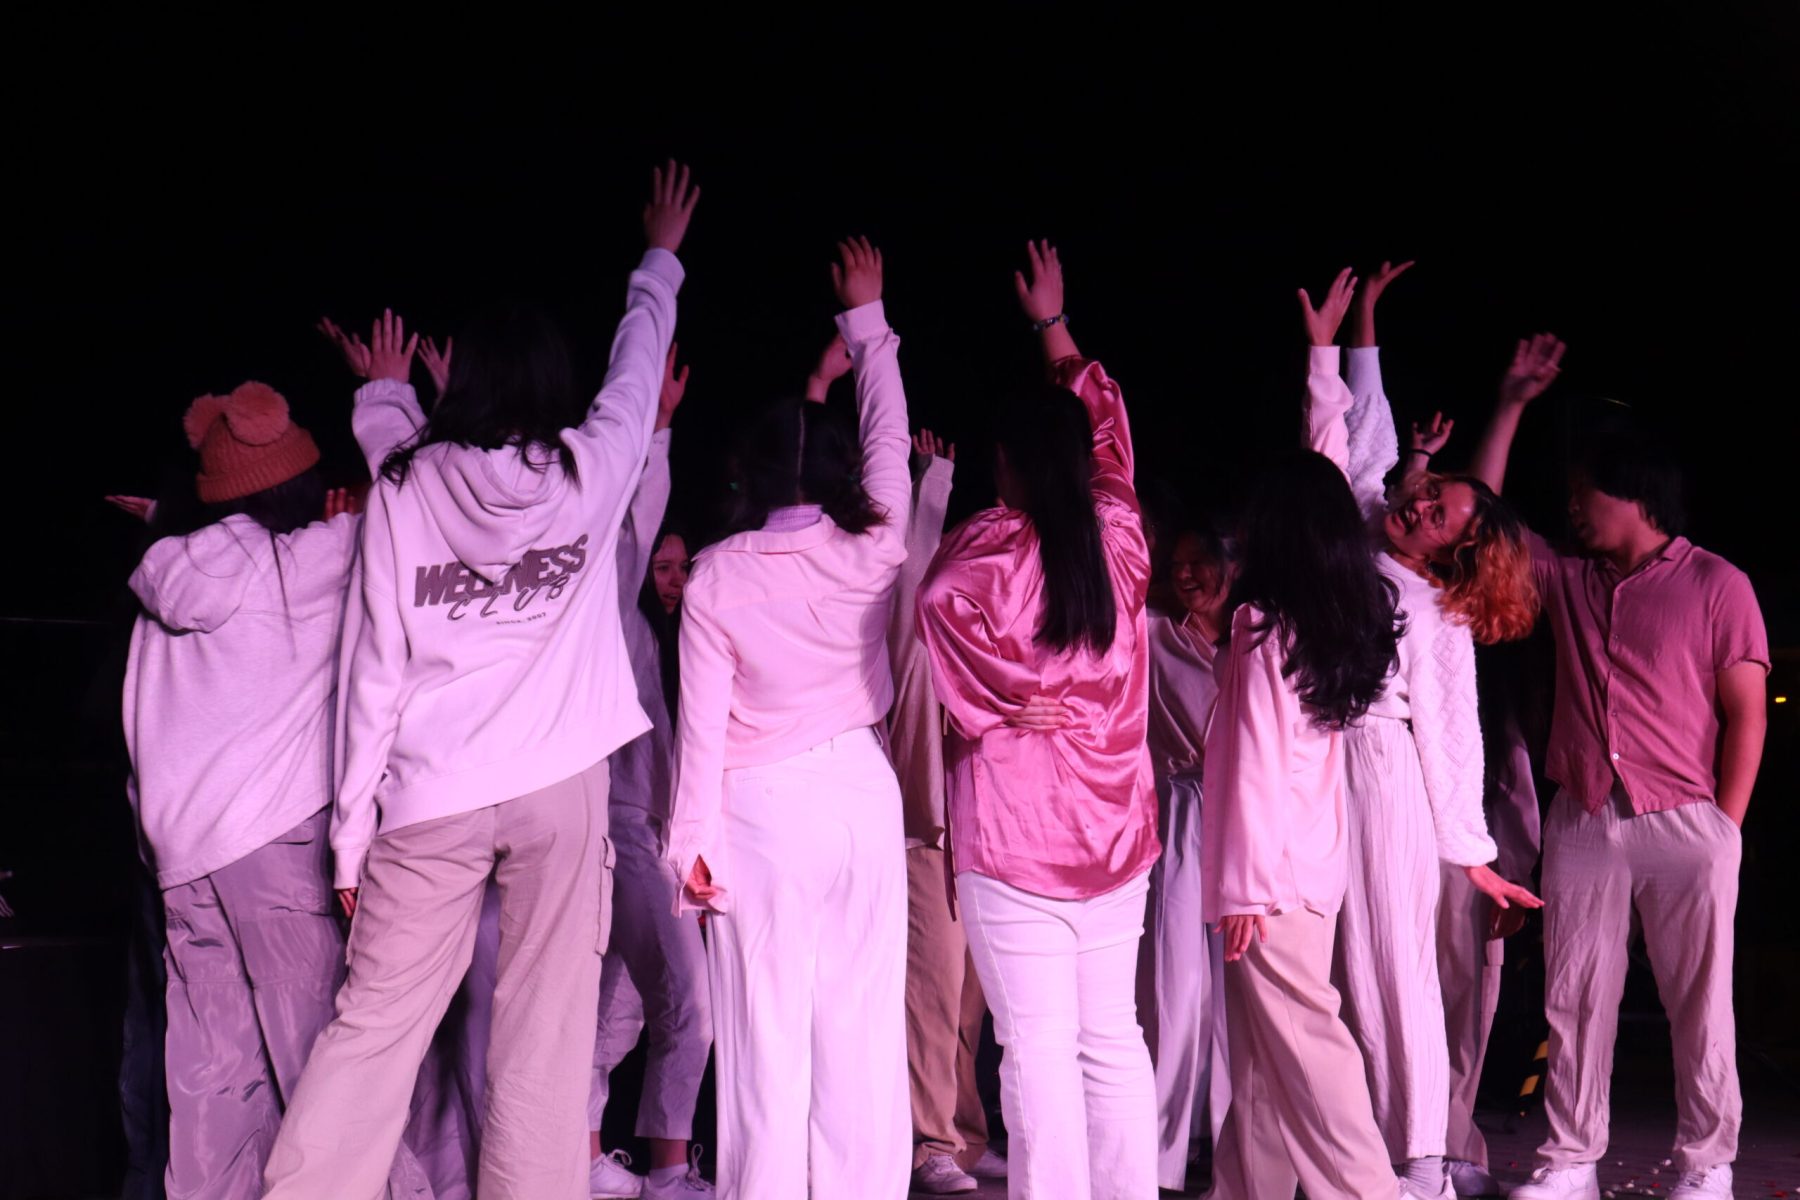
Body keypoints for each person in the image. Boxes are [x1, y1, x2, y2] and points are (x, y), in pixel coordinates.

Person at [263, 163, 698, 1200]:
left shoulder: (406, 483)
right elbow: (636, 368)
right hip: (558, 791)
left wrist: (350, 834)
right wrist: (660, 258)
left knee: (374, 1026)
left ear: (460, 386)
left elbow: (373, 667)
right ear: (551, 384)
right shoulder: (591, 470)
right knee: (546, 1039)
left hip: (432, 795)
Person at [1468, 335, 1769, 1200]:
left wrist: (1724, 829)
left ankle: (1706, 1166)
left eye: (1583, 493)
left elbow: (1747, 715)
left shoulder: (1716, 583)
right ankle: (1572, 1161)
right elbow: (1481, 517)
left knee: (1698, 1002)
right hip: (1585, 813)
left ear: (1632, 493)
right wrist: (1512, 403)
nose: (1572, 509)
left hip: (1686, 815)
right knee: (1575, 997)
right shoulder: (1569, 580)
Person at [122, 369, 429, 1200]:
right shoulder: (306, 563)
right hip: (275, 845)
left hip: (183, 862)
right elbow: (420, 507)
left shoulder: (163, 577)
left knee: (212, 1082)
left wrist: (160, 518)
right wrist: (390, 394)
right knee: (328, 1066)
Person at [663, 237, 911, 1200]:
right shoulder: (873, 545)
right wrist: (870, 324)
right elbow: (888, 442)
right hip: (860, 794)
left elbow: (701, 732)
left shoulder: (716, 576)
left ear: (749, 476)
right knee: (860, 1028)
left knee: (766, 1036)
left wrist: (691, 845)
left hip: (762, 809)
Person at [917, 241, 1159, 1200]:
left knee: (1039, 1049)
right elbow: (1110, 433)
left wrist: (1008, 694)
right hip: (1116, 833)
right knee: (1112, 1041)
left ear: (1009, 464)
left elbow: (934, 604)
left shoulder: (987, 549)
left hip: (1017, 839)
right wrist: (1055, 328)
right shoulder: (1121, 536)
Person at [1301, 263, 1543, 1198]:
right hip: (1316, 761)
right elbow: (1357, 440)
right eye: (1429, 492)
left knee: (1389, 964)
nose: (1419, 504)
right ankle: (1344, 1152)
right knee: (1323, 961)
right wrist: (1348, 337)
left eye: (1438, 514)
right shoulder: (1364, 529)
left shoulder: (1435, 613)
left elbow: (1450, 737)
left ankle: (1419, 1160)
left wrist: (1471, 855)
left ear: (1455, 551)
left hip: (1382, 774)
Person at [1200, 444, 1406, 1200]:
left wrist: (1244, 888)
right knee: (1264, 1066)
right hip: (1309, 869)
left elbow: (1256, 765)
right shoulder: (1328, 626)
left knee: (1309, 1054)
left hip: (1271, 878)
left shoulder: (1263, 626)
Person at [587, 345, 715, 1200]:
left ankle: (586, 1155)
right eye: (661, 569)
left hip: (665, 837)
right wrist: (659, 427)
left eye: (681, 567)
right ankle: (666, 1169)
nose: (671, 581)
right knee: (685, 1004)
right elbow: (633, 528)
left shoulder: (695, 636)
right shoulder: (618, 620)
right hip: (624, 827)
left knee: (619, 1009)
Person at [888, 425, 1008, 1196]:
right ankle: (930, 1141)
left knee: (969, 1002)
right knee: (931, 994)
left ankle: (962, 1134)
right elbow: (910, 570)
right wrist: (930, 483)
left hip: (983, 836)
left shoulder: (982, 641)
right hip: (925, 834)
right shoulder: (917, 637)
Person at [1141, 526, 1233, 1192]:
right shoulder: (1155, 633)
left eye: (1200, 562)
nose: (1186, 574)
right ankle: (1162, 1155)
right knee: (1178, 986)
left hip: (1244, 815)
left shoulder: (1255, 639)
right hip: (1179, 808)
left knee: (1236, 995)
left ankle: (1228, 1145)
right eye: (1177, 564)